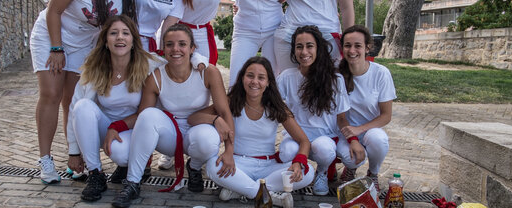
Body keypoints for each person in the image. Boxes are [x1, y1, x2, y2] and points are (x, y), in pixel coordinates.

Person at [29, 0, 136, 184]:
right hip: (51, 34)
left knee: (73, 100)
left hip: (83, 44)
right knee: (51, 94)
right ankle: (45, 159)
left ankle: (73, 158)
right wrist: (56, 48)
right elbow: (53, 10)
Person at [111, 24, 235, 208]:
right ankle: (133, 182)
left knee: (208, 140)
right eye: (169, 44)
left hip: (197, 128)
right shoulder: (155, 77)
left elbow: (225, 112)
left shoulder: (208, 72)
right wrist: (116, 126)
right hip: (169, 134)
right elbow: (141, 117)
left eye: (182, 44)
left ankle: (194, 167)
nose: (175, 49)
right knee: (149, 115)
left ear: (192, 48)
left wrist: (230, 151)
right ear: (164, 48)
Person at [190, 56, 314, 208]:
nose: (255, 81)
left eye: (261, 78)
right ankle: (271, 197)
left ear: (268, 82)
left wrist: (298, 161)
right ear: (242, 78)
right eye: (250, 76)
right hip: (237, 164)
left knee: (308, 173)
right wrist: (216, 119)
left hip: (269, 165)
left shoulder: (277, 107)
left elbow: (304, 141)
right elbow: (193, 118)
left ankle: (241, 189)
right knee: (212, 166)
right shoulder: (231, 101)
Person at [66, 15, 155, 201]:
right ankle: (96, 174)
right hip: (102, 128)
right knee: (83, 107)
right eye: (114, 33)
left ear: (133, 41)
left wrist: (199, 60)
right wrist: (74, 152)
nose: (120, 37)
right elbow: (74, 108)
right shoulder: (93, 68)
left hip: (132, 129)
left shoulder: (148, 65)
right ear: (106, 41)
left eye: (125, 33)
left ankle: (126, 165)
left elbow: (179, 60)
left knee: (121, 155)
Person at [276, 25, 365, 196]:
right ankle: (299, 170)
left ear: (318, 48)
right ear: (294, 50)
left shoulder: (335, 79)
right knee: (286, 152)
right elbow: (273, 105)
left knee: (344, 156)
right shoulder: (287, 76)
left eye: (309, 46)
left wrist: (353, 139)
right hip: (296, 137)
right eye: (299, 46)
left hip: (324, 138)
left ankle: (322, 172)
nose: (304, 52)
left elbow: (341, 118)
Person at [336, 25, 396, 193]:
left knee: (379, 140)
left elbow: (386, 116)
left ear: (367, 47)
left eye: (358, 45)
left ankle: (373, 174)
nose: (352, 50)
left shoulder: (381, 73)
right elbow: (340, 118)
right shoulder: (337, 75)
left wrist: (359, 130)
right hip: (344, 132)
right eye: (347, 45)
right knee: (351, 159)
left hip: (370, 129)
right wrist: (352, 137)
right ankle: (352, 168)